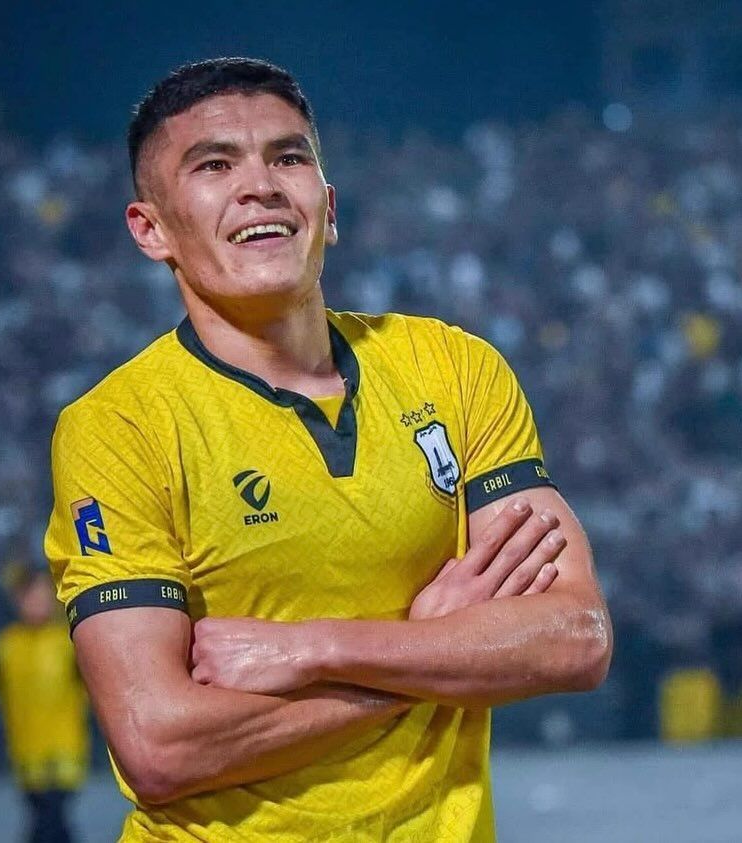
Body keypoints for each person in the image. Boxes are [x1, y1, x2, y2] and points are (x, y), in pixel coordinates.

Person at [44, 57, 612, 842]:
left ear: (329, 207)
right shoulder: (120, 427)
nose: (261, 185)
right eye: (214, 165)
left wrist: (315, 648)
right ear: (152, 229)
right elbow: (159, 747)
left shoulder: (453, 368)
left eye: (288, 157)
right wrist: (428, 651)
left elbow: (575, 636)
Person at [0, 562, 89, 843]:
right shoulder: (5, 646)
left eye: (43, 594)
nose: (38, 602)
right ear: (17, 600)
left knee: (49, 823)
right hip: (26, 759)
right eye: (30, 596)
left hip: (65, 754)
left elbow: (93, 688)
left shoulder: (68, 642)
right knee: (50, 826)